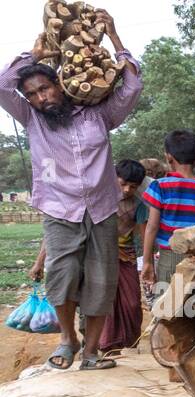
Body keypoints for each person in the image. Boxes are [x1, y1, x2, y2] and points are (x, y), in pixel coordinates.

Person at [0, 12, 142, 370]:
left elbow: (132, 88)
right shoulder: (31, 119)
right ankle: (68, 340)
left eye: (44, 88)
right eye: (31, 94)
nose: (40, 97)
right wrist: (34, 55)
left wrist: (114, 35)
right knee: (60, 279)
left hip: (102, 210)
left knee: (100, 282)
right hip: (59, 210)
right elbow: (3, 85)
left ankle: (92, 352)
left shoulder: (98, 115)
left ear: (60, 85)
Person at [140, 130, 195, 295]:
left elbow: (152, 227)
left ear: (168, 157)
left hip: (170, 258)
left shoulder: (159, 186)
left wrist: (147, 262)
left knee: (168, 310)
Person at [99, 159, 148, 353]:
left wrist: (146, 262)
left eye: (133, 186)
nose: (127, 189)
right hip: (101, 257)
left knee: (132, 302)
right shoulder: (101, 200)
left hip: (127, 258)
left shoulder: (139, 205)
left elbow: (145, 235)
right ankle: (108, 345)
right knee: (105, 302)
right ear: (114, 179)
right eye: (123, 184)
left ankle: (130, 341)